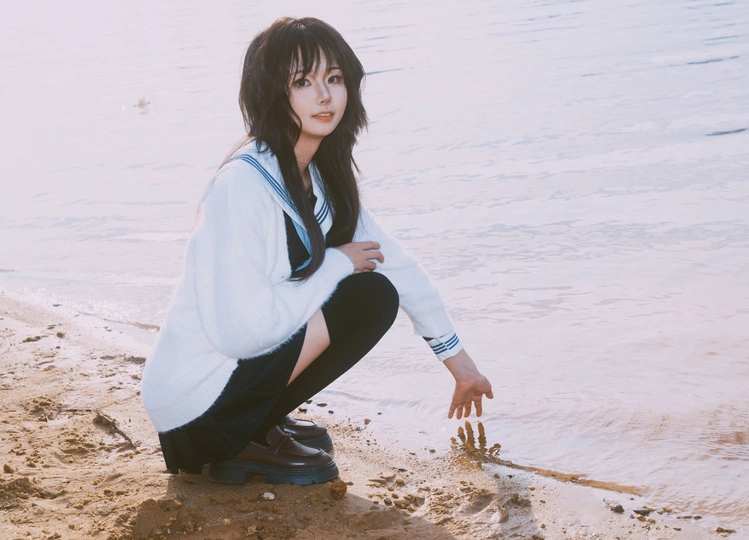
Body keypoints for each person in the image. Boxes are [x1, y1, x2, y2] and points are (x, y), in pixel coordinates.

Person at [140, 16, 493, 486]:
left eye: (335, 78)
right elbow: (242, 333)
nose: (325, 96)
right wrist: (336, 264)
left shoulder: (319, 178)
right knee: (366, 296)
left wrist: (461, 367)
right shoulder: (241, 185)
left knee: (377, 287)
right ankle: (241, 438)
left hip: (225, 389)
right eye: (302, 82)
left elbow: (395, 263)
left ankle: (262, 418)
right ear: (270, 92)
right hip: (195, 411)